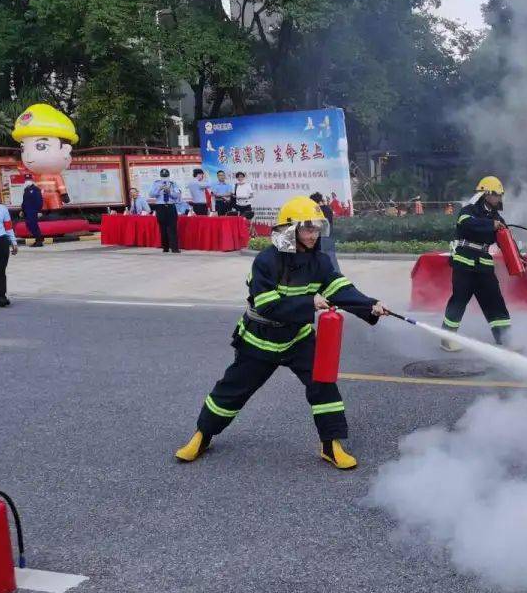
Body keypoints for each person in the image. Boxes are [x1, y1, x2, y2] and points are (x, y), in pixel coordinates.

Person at [174, 196, 389, 469]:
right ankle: (202, 435)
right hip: (259, 339)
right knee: (232, 391)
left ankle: (330, 444)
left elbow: (340, 290)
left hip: (297, 338)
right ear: (290, 230)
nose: (313, 235)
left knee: (323, 385)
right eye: (307, 228)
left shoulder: (320, 262)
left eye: (316, 229)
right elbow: (267, 305)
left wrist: (370, 305)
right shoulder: (266, 261)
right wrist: (308, 302)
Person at [440, 176, 513, 352]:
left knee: (495, 300)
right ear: (486, 194)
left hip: (484, 265)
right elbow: (465, 223)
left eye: (500, 195)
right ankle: (447, 339)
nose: (499, 199)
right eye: (496, 195)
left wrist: (517, 255)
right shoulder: (469, 210)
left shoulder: (497, 217)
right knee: (459, 300)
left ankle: (505, 338)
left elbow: (506, 240)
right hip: (464, 262)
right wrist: (491, 224)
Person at [150, 169, 183, 254]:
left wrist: (170, 191)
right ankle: (165, 247)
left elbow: (177, 195)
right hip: (160, 207)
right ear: (160, 176)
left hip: (171, 206)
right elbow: (151, 194)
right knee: (162, 228)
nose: (165, 178)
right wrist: (159, 189)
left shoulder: (173, 183)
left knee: (173, 228)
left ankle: (174, 248)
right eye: (163, 176)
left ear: (169, 176)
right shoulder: (156, 183)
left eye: (166, 176)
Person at [310, 192, 339, 272]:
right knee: (331, 255)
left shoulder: (318, 210)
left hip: (322, 235)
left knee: (322, 256)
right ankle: (336, 273)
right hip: (329, 235)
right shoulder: (328, 208)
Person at [21, 173, 44, 247]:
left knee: (33, 225)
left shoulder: (35, 189)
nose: (27, 181)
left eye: (29, 179)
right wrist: (22, 210)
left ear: (32, 180)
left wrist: (39, 211)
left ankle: (39, 240)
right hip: (27, 211)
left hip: (33, 211)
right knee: (29, 225)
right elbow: (25, 202)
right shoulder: (26, 189)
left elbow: (39, 201)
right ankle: (39, 238)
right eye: (26, 179)